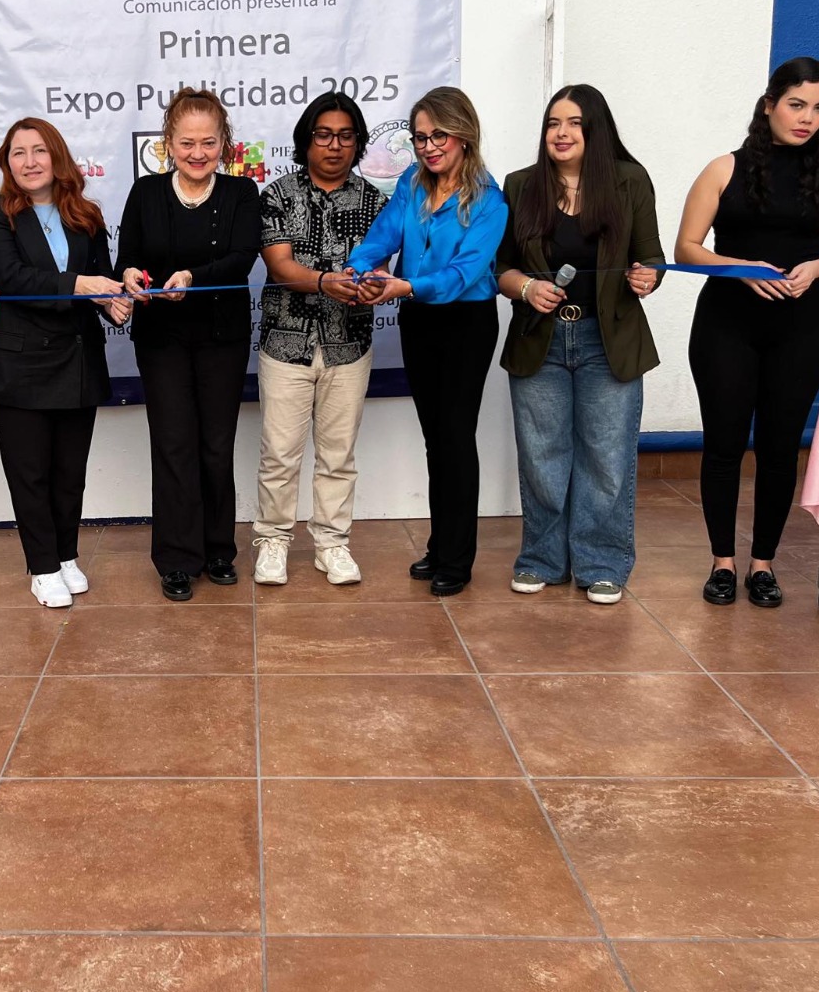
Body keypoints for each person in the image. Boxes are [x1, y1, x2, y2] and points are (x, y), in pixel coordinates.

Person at [675, 56, 819, 607]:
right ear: (769, 105)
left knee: (780, 448)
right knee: (724, 445)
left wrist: (818, 267)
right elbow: (687, 247)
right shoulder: (723, 169)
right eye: (796, 105)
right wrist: (739, 268)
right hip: (727, 325)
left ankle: (763, 565)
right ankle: (722, 563)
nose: (807, 118)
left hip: (801, 327)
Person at [494, 84, 666, 606]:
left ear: (596, 129)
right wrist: (527, 288)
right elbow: (501, 268)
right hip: (540, 340)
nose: (561, 133)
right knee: (542, 457)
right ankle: (542, 559)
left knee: (607, 459)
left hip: (607, 340)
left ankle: (602, 564)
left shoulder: (630, 180)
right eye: (553, 123)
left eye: (573, 123)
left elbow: (652, 257)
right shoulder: (520, 185)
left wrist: (647, 277)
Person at [348, 87, 507, 597]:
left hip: (465, 322)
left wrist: (405, 286)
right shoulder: (411, 185)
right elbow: (381, 237)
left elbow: (463, 274)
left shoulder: (490, 199)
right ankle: (441, 547)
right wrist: (360, 270)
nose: (429, 147)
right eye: (420, 137)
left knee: (456, 437)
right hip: (418, 319)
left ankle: (457, 560)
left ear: (464, 135)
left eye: (439, 135)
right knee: (435, 438)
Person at [0, 117, 130, 608]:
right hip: (18, 364)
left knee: (69, 472)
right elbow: (10, 277)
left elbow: (100, 277)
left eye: (39, 150)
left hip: (77, 359)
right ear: (7, 163)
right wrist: (80, 285)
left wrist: (112, 303)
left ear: (56, 156)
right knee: (30, 472)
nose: (29, 161)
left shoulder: (86, 214)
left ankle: (65, 556)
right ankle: (41, 567)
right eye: (18, 153)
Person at [117, 88, 262, 601]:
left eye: (208, 142)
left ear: (224, 142)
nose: (198, 153)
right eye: (186, 143)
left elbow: (242, 259)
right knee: (173, 444)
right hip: (161, 339)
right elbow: (127, 259)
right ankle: (177, 558)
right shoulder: (145, 193)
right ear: (168, 143)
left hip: (222, 337)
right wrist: (129, 275)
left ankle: (219, 550)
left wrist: (192, 277)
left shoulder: (242, 192)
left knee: (216, 446)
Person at [252, 92, 387, 586]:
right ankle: (272, 540)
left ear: (358, 142)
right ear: (306, 141)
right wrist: (327, 281)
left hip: (349, 345)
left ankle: (332, 543)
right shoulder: (278, 194)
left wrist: (373, 285)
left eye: (346, 136)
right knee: (279, 454)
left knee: (338, 455)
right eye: (324, 135)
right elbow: (280, 267)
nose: (334, 145)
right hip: (285, 344)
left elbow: (381, 267)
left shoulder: (377, 201)